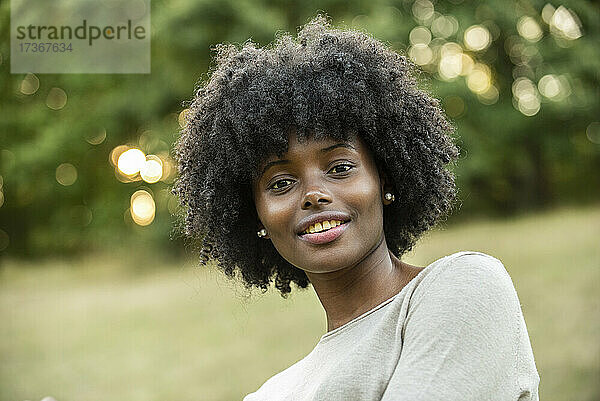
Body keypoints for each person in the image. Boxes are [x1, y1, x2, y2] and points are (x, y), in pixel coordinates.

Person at [172, 14, 540, 401]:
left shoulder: (461, 287)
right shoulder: (270, 394)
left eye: (340, 167)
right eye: (281, 183)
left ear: (385, 179)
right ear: (256, 216)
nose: (313, 195)